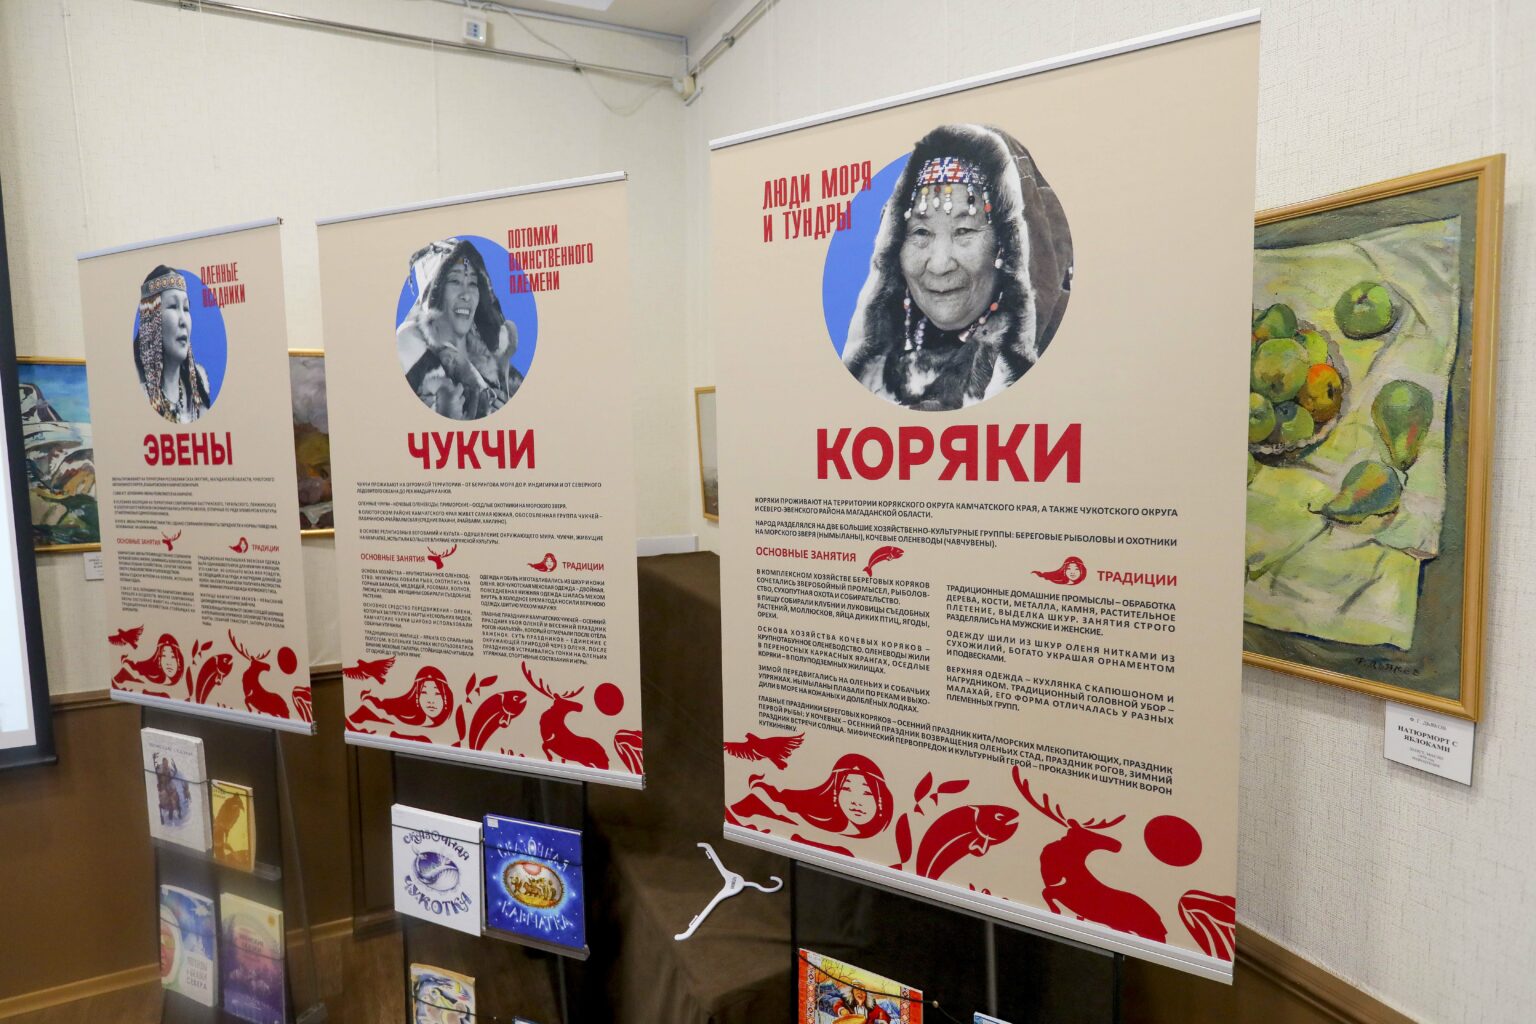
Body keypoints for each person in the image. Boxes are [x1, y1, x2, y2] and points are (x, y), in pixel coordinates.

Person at [842, 123, 1073, 410]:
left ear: (1010, 245)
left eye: (964, 230)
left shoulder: (1068, 344)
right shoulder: (878, 367)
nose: (939, 265)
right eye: (920, 232)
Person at [397, 239, 520, 419]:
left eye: (473, 283)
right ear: (435, 293)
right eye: (455, 281)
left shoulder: (500, 371)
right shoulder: (413, 352)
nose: (466, 295)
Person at [727, 753, 893, 839]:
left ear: (881, 798)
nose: (856, 801)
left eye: (867, 792)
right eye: (847, 789)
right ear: (834, 792)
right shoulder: (826, 826)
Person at [135, 266, 213, 422]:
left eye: (186, 308)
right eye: (172, 306)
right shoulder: (137, 387)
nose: (183, 320)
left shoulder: (198, 387)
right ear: (151, 320)